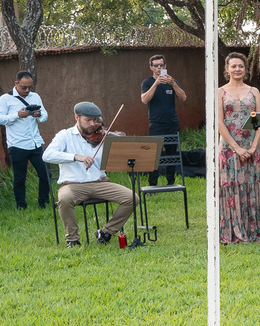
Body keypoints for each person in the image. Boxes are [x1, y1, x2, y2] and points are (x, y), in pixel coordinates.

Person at [43, 102, 138, 248]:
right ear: (77, 117)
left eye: (96, 120)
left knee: (132, 198)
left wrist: (114, 142)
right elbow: (47, 155)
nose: (93, 124)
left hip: (100, 182)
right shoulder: (65, 135)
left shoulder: (102, 137)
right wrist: (75, 156)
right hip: (73, 185)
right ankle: (73, 240)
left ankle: (106, 232)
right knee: (65, 198)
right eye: (88, 120)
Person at [217, 53, 260, 243]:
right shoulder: (220, 92)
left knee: (252, 186)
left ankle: (254, 229)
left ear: (245, 69)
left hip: (252, 147)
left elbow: (259, 121)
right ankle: (232, 230)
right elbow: (220, 123)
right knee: (232, 187)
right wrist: (236, 148)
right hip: (230, 148)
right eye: (233, 66)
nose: (237, 69)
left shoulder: (253, 91)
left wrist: (254, 146)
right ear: (227, 69)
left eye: (241, 66)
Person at [0, 71, 51, 210]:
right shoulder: (5, 99)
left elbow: (45, 116)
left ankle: (44, 203)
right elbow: (1, 118)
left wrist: (38, 114)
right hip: (17, 144)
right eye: (24, 87)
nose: (28, 90)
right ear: (16, 83)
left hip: (36, 142)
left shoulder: (35, 96)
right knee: (19, 178)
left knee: (46, 174)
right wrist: (17, 115)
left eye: (30, 87)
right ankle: (21, 207)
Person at [139, 54, 187, 185]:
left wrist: (173, 84)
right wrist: (156, 83)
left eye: (161, 65)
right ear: (151, 68)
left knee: (172, 155)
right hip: (156, 125)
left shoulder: (172, 81)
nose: (159, 67)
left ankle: (171, 182)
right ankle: (152, 184)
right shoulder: (147, 82)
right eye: (156, 65)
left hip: (172, 123)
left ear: (165, 66)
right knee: (154, 155)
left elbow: (183, 97)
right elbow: (144, 100)